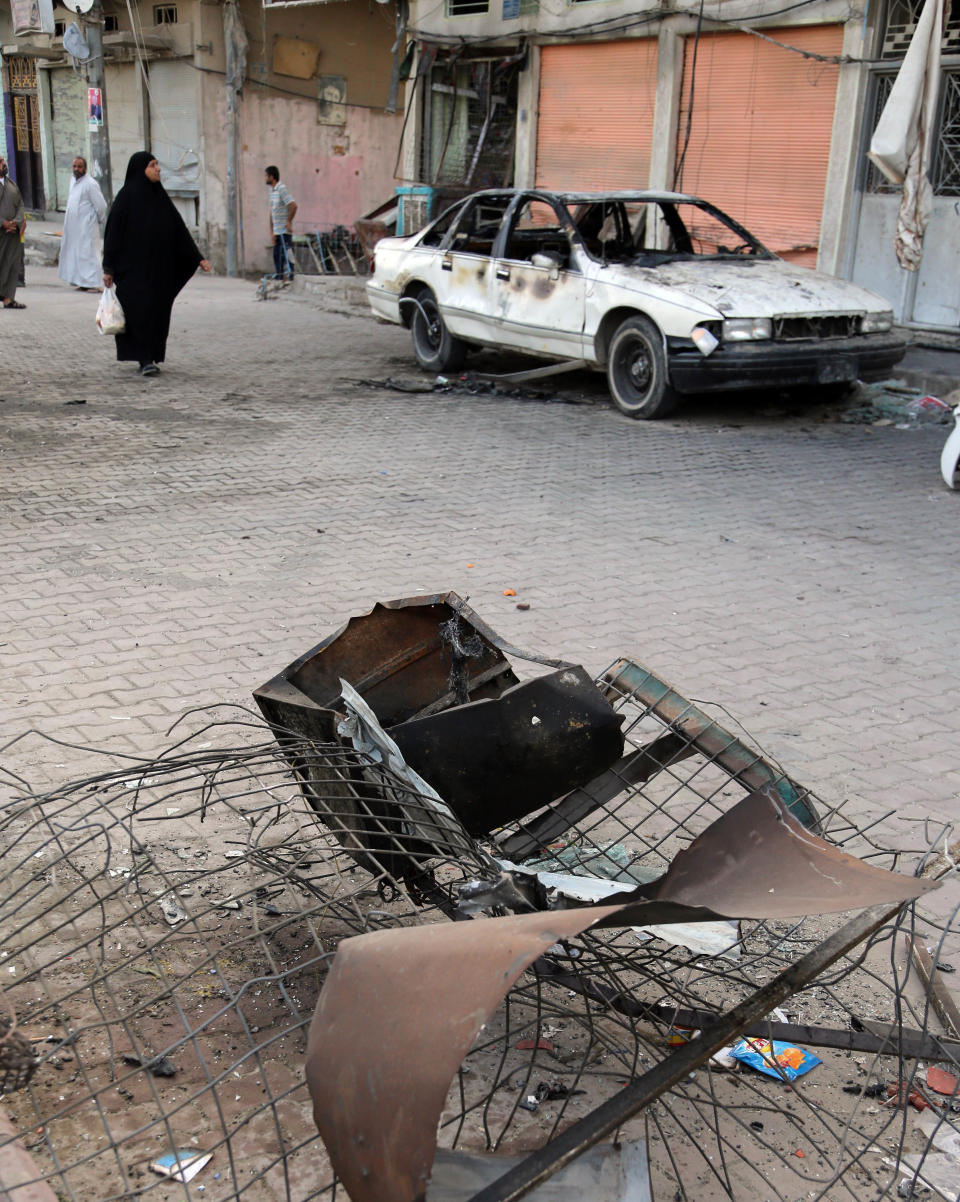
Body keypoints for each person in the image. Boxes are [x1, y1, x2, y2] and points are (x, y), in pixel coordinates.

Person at [102, 151, 211, 377]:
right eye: (153, 165)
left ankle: (151, 355)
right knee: (139, 314)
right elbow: (112, 234)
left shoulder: (160, 198)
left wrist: (197, 257)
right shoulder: (126, 197)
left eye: (157, 165)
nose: (158, 169)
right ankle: (144, 359)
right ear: (141, 169)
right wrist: (109, 268)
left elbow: (179, 230)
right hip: (132, 272)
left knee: (157, 313)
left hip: (158, 271)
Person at [59, 156, 107, 291]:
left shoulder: (90, 183)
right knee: (77, 253)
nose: (76, 169)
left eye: (79, 166)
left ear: (85, 168)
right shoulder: (72, 181)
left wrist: (101, 219)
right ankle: (83, 282)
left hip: (87, 226)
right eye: (74, 166)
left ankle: (95, 284)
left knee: (90, 253)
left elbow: (101, 205)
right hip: (74, 227)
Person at [0, 154, 26, 310]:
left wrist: (17, 222)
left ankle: (9, 299)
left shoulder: (12, 185)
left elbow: (21, 205)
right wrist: (2, 223)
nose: (3, 164)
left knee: (12, 265)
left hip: (13, 233)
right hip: (2, 233)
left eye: (3, 161)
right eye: (0, 162)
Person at [265, 165, 297, 281]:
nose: (265, 178)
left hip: (284, 230)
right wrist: (271, 232)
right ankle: (279, 277)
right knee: (277, 255)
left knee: (288, 253)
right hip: (277, 231)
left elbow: (293, 205)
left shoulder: (281, 188)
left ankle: (291, 275)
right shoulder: (272, 191)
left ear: (272, 177)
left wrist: (288, 221)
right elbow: (271, 212)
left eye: (266, 176)